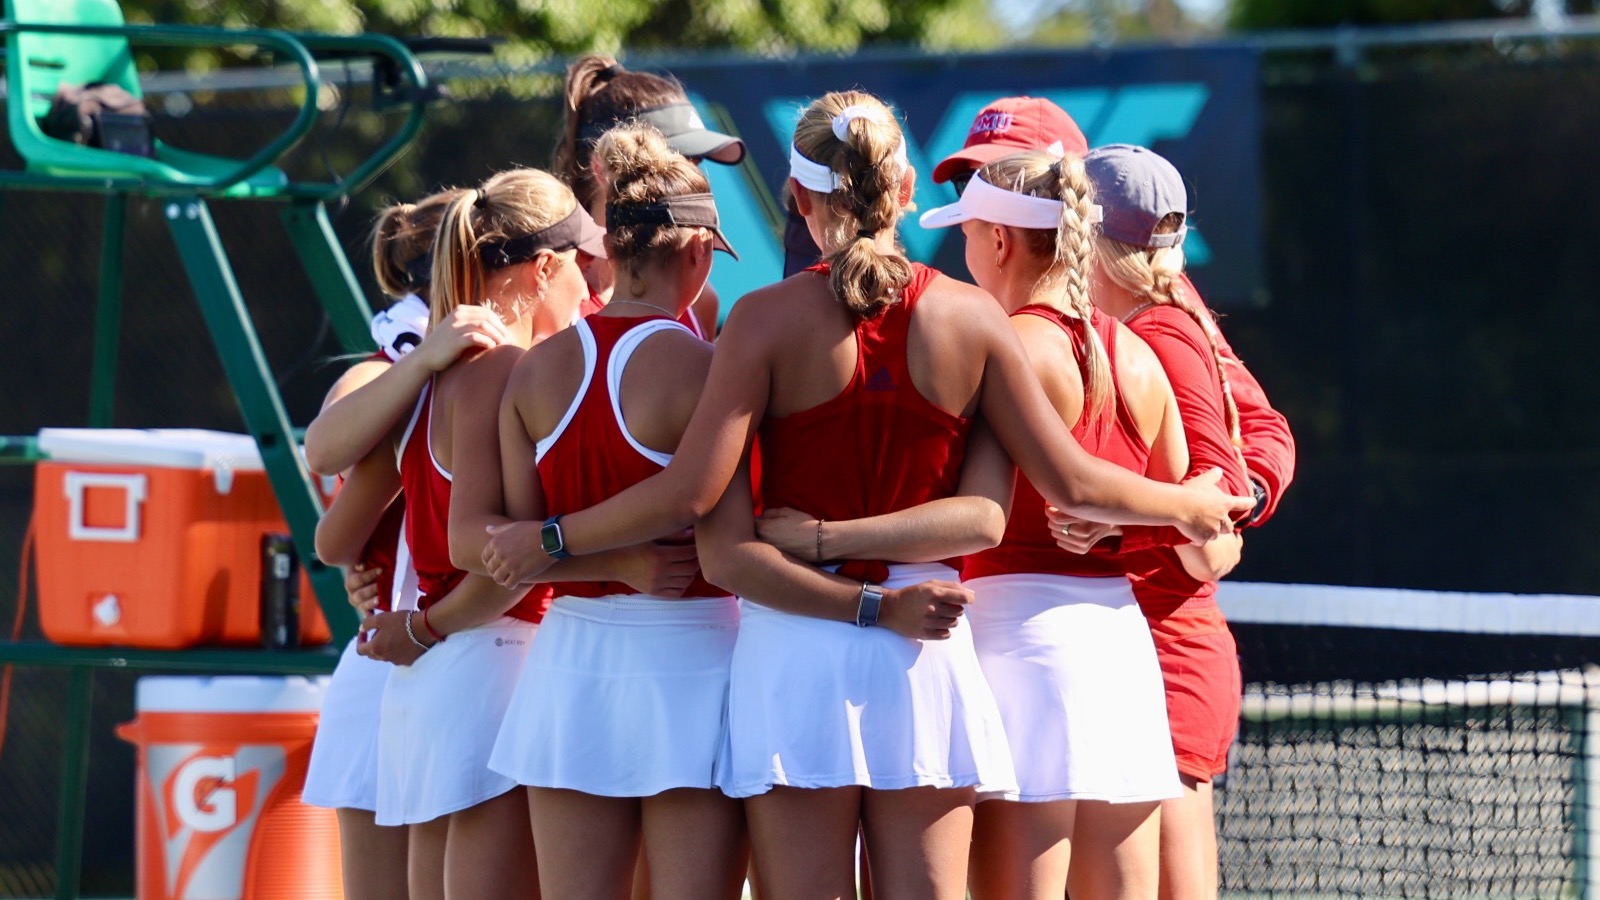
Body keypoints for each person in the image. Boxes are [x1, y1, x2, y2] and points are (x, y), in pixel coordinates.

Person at [480, 89, 1252, 897]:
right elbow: (1016, 504)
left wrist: (820, 543)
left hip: (795, 662)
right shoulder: (972, 319)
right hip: (926, 659)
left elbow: (721, 539)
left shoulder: (759, 321)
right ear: (907, 191)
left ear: (800, 199)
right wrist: (1184, 506)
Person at [469, 123, 745, 900]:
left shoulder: (533, 373)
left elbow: (526, 550)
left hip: (570, 666)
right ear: (693, 253)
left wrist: (591, 556)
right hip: (692, 660)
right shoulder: (702, 366)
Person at [330, 168, 603, 900]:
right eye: (582, 264)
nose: (592, 286)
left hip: (443, 679)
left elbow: (336, 537)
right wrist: (630, 559)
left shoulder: (436, 371)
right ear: (545, 268)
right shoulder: (504, 369)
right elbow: (485, 555)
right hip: (492, 671)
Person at [1056, 144, 1256, 900]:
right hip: (1141, 651)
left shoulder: (1160, 333)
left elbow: (1218, 532)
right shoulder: (1143, 324)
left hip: (1168, 659)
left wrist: (1118, 527)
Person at [302, 187, 505, 900]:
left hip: (453, 657)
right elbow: (326, 487)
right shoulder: (389, 368)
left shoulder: (504, 365)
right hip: (398, 656)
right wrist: (421, 370)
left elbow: (333, 541)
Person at [555, 53, 746, 336]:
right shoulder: (550, 291)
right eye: (671, 160)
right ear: (601, 167)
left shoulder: (700, 301)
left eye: (695, 161)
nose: (688, 176)